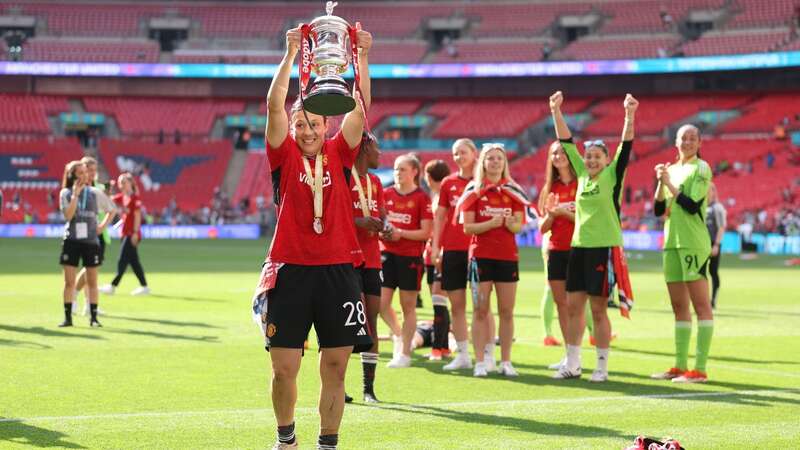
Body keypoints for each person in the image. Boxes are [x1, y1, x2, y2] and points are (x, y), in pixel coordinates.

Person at [253, 22, 372, 450]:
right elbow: (273, 109)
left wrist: (359, 57)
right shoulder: (283, 154)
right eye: (301, 123)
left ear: (327, 126)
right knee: (284, 368)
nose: (306, 131)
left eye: (315, 124)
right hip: (290, 270)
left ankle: (328, 443)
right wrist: (288, 56)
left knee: (336, 367)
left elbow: (360, 109)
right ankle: (286, 439)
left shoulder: (340, 152)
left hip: (339, 271)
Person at [549, 90, 638, 383]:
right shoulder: (582, 176)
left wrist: (629, 115)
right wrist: (555, 111)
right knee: (574, 307)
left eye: (597, 156)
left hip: (604, 249)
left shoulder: (613, 176)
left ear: (606, 159)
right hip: (579, 248)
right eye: (588, 156)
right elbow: (566, 141)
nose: (590, 160)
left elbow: (626, 145)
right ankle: (573, 363)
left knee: (598, 310)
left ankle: (601, 366)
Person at [651, 124, 714, 384]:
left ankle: (699, 369)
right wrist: (660, 184)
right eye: (683, 138)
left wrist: (669, 184)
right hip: (672, 243)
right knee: (679, 306)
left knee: (701, 305)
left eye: (692, 138)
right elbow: (658, 210)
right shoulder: (672, 170)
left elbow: (691, 205)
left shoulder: (701, 168)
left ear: (699, 143)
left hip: (693, 243)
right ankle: (679, 365)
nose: (687, 142)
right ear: (675, 142)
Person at [459, 143, 528, 377]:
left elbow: (519, 225)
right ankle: (480, 362)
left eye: (499, 158)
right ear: (483, 163)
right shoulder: (474, 190)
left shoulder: (513, 191)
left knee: (507, 311)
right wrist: (491, 224)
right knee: (480, 310)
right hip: (480, 257)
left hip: (507, 257)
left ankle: (506, 361)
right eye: (491, 159)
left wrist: (511, 224)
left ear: (505, 162)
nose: (495, 162)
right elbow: (467, 227)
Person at [380, 153, 433, 368]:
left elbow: (426, 232)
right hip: (385, 255)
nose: (397, 173)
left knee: (407, 306)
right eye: (395, 169)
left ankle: (405, 354)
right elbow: (378, 224)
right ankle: (400, 335)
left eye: (402, 169)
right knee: (381, 305)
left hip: (410, 257)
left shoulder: (422, 197)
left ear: (414, 172)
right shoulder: (385, 194)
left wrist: (400, 233)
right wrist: (382, 234)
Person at [431, 138, 480, 371]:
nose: (459, 156)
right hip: (452, 250)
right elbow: (440, 217)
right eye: (456, 153)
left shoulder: (483, 181)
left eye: (463, 152)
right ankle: (463, 354)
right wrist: (436, 247)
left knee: (482, 306)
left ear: (474, 153)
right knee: (457, 306)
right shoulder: (448, 183)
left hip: (479, 250)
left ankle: (485, 355)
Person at [58, 160, 116, 328]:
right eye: (80, 173)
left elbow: (112, 209)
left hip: (91, 241)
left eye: (85, 172)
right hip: (72, 241)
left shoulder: (94, 192)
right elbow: (68, 216)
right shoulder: (65, 193)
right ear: (72, 175)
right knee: (69, 282)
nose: (84, 175)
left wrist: (102, 226)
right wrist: (75, 195)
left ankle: (94, 318)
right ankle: (68, 318)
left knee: (92, 282)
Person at [349, 131, 384, 403]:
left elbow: (380, 216)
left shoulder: (375, 182)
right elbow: (333, 219)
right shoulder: (343, 177)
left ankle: (368, 389)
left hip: (372, 260)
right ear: (363, 149)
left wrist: (383, 226)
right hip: (347, 261)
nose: (380, 153)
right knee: (347, 324)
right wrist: (359, 222)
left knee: (371, 322)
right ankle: (338, 385)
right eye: (376, 148)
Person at [99, 173, 150, 296]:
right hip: (124, 233)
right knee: (134, 262)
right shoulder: (122, 197)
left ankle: (113, 286)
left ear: (131, 183)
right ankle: (144, 287)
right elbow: (107, 199)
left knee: (122, 259)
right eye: (120, 182)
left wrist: (135, 233)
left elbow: (137, 217)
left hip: (131, 234)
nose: (121, 184)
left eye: (124, 182)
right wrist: (108, 189)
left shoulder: (135, 198)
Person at [422, 159, 452, 361]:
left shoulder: (442, 196)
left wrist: (438, 249)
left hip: (439, 253)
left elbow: (442, 225)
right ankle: (445, 347)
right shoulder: (438, 195)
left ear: (428, 176)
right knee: (440, 300)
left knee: (438, 299)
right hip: (433, 252)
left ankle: (437, 348)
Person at [74, 156, 112, 315]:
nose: (92, 173)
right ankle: (74, 296)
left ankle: (88, 305)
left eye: (94, 170)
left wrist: (102, 226)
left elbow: (108, 207)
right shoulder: (77, 187)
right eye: (89, 170)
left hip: (98, 233)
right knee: (90, 268)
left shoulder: (97, 187)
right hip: (82, 231)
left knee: (92, 269)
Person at [706, 183, 726, 309]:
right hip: (701, 244)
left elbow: (721, 227)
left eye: (709, 190)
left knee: (713, 271)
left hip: (713, 243)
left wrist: (716, 245)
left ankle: (713, 300)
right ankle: (703, 299)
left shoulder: (717, 207)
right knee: (699, 273)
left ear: (713, 192)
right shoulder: (701, 207)